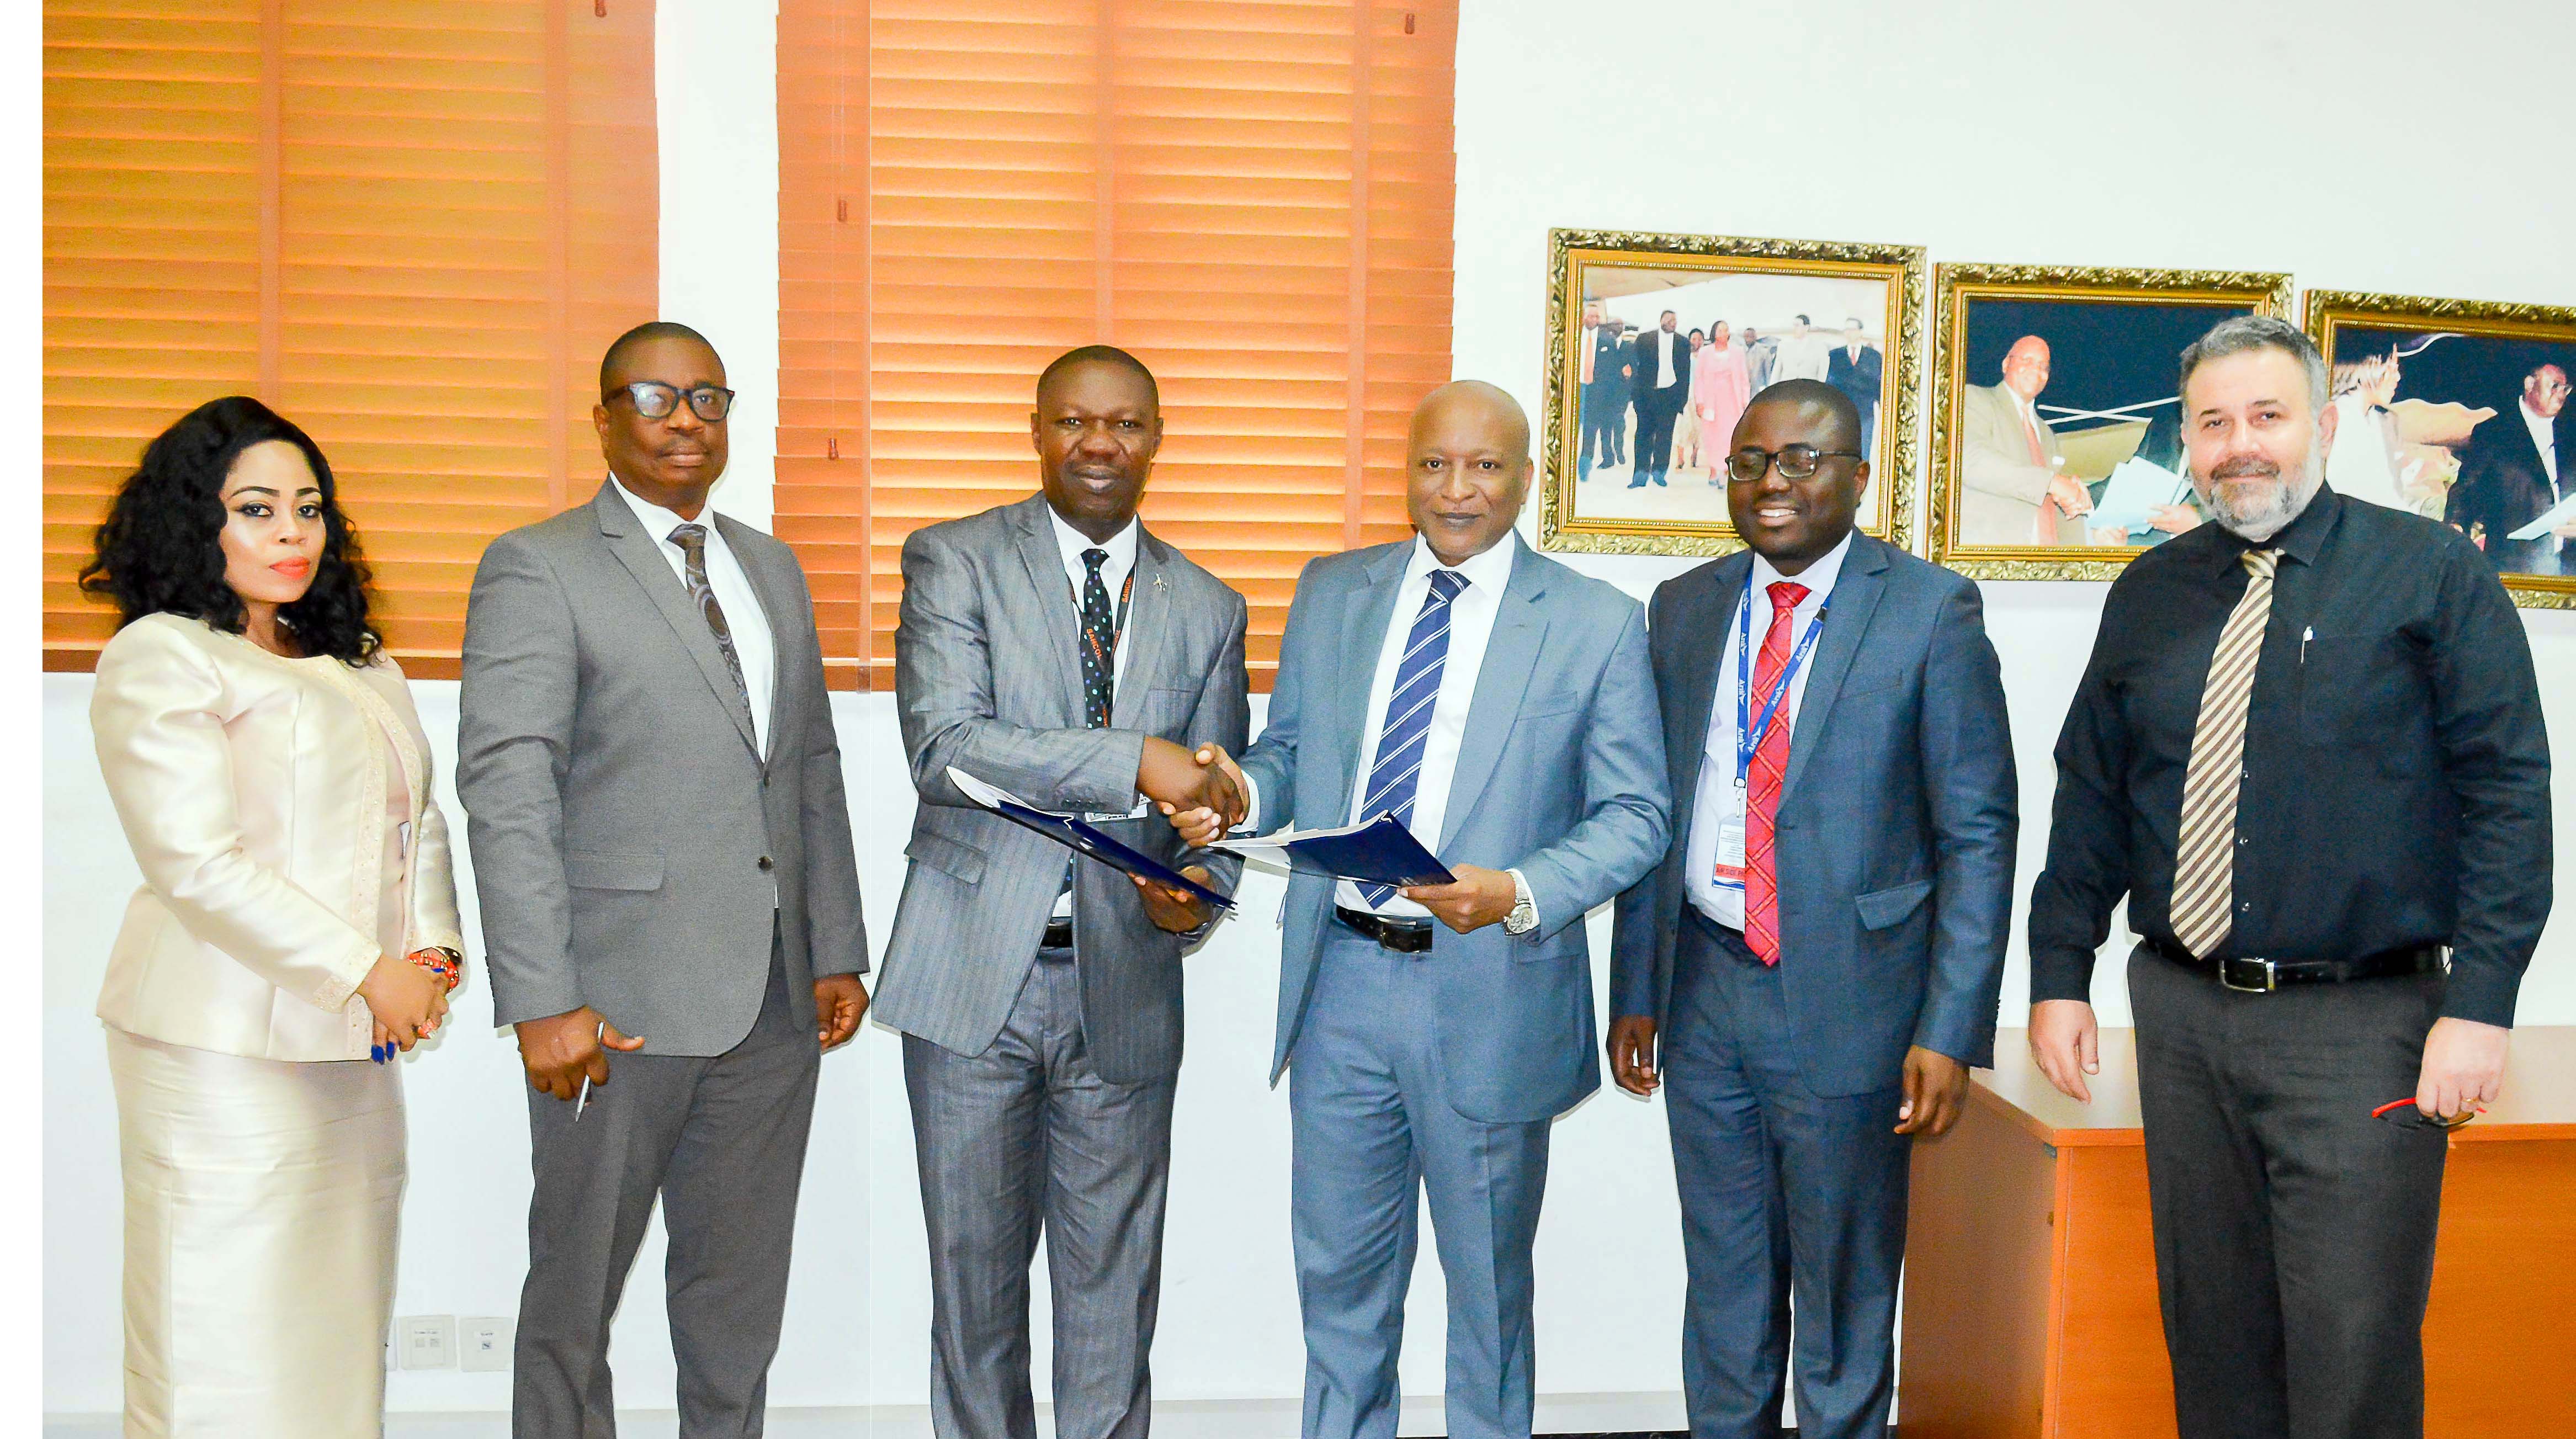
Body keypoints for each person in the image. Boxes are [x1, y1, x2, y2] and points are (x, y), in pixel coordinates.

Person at [2025, 316, 2550, 1439]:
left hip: (2361, 1024)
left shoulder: (2429, 573)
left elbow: (2507, 798)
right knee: (2210, 1339)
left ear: (2316, 423)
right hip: (2177, 1017)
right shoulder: (2151, 592)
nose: (2237, 446)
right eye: (2211, 424)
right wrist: (2057, 969)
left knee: (2347, 1352)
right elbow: (2091, 793)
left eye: (2264, 415)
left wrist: (2480, 1003)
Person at [1170, 381, 1671, 1439]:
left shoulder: (1594, 622)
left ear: (1525, 479)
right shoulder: (1335, 590)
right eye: (1434, 464)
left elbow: (1636, 815)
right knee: (1340, 1282)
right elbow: (1295, 753)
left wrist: (1519, 891)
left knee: (1488, 1293)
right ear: (1405, 473)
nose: (1456, 490)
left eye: (1484, 467)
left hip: (1489, 989)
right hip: (1340, 985)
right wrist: (1239, 794)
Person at [459, 321, 872, 1437]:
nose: (684, 417)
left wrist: (834, 941)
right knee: (575, 1293)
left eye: (706, 396)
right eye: (652, 395)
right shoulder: (537, 564)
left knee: (736, 1296)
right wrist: (541, 997)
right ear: (602, 419)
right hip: (614, 1002)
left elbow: (809, 764)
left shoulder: (768, 565)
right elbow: (507, 792)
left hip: (773, 1002)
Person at [1608, 380, 2016, 1439]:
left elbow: (1977, 832)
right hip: (1702, 989)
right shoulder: (1686, 607)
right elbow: (1658, 806)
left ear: (1856, 476)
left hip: (1855, 1003)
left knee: (1841, 1291)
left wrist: (1949, 1026)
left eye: (1800, 459)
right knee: (1727, 1279)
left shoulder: (1930, 608)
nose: (1772, 482)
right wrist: (1636, 987)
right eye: (1748, 461)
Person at [872, 344, 1251, 1439]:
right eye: (1075, 421)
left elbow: (1212, 800)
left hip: (1123, 982)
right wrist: (1135, 758)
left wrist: (1194, 890)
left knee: (1111, 1289)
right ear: (1035, 430)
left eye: (1126, 424)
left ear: (1155, 439)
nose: (1099, 443)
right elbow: (945, 748)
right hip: (968, 981)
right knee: (972, 1286)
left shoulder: (1209, 604)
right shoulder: (954, 559)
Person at [81, 395, 465, 1436]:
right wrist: (365, 969)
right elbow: (196, 865)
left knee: (333, 1331)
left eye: (308, 507)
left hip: (352, 1054)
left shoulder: (358, 661)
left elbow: (413, 818)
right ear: (192, 521)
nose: (291, 531)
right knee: (218, 1331)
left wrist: (429, 948)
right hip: (216, 1048)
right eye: (256, 508)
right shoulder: (163, 655)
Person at [1956, 335, 2095, 545]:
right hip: (1987, 555)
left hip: (2044, 563)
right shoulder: (1974, 399)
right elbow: (1970, 461)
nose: (2035, 369)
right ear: (2006, 364)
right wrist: (2051, 482)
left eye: (2043, 366)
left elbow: (2049, 504)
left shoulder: (2047, 434)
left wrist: (2086, 518)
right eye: (2027, 360)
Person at [2444, 362, 2571, 575]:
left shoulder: (2570, 434)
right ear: (2530, 384)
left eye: (2566, 389)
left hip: (2569, 564)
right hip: (2515, 564)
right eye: (2555, 386)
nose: (2561, 394)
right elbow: (2467, 488)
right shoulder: (2495, 432)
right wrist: (2456, 524)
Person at [2324, 352, 2424, 514]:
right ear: (2366, 367)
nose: (2397, 376)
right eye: (2391, 367)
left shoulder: (2380, 422)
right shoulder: (2341, 418)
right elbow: (2349, 491)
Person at [1632, 310, 1692, 488]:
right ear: (1661, 321)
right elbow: (1635, 368)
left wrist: (1681, 401)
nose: (1673, 323)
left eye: (1675, 320)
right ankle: (1640, 474)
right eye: (1669, 319)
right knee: (1643, 434)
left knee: (1665, 436)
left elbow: (1685, 373)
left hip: (1669, 396)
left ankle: (1659, 472)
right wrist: (1636, 396)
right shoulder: (1644, 339)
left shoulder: (1682, 343)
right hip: (1647, 395)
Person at [1692, 322, 1753, 486]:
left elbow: (1743, 379)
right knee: (1712, 436)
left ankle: (1726, 471)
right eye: (1720, 330)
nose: (1724, 332)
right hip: (1711, 401)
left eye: (1726, 329)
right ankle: (1713, 469)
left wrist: (1745, 401)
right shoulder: (1705, 353)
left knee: (1729, 436)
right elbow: (1699, 380)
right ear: (1714, 333)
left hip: (1731, 401)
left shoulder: (1737, 352)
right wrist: (1700, 402)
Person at [1581, 316, 1633, 480]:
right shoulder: (1602, 343)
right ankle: (1596, 458)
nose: (1617, 328)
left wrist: (1627, 378)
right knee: (1596, 428)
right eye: (1615, 325)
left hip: (1616, 395)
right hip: (1598, 393)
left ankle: (1614, 453)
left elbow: (1629, 369)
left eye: (1620, 325)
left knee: (1612, 427)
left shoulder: (1626, 346)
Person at [1824, 318, 1884, 458]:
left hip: (1865, 413)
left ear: (1860, 332)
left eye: (1853, 329)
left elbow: (1879, 384)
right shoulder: (1835, 355)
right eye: (1847, 330)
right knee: (1842, 448)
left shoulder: (1873, 357)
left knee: (1864, 451)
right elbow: (1830, 383)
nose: (1849, 333)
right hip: (1842, 411)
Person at [1671, 330, 1709, 473]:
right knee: (1682, 427)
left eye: (1700, 339)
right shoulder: (1683, 356)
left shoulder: (1706, 358)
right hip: (1685, 396)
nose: (1697, 342)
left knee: (1698, 428)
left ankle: (1694, 455)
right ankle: (1680, 458)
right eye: (1694, 339)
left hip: (1701, 397)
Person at [1768, 314, 1832, 385]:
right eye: (1793, 325)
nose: (1794, 328)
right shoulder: (1783, 345)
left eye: (1797, 326)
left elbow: (1822, 375)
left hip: (1809, 390)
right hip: (1787, 390)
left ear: (1807, 327)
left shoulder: (1820, 347)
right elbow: (1776, 371)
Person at [1742, 326, 1778, 394]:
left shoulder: (1764, 351)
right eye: (1746, 337)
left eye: (1751, 337)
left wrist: (1769, 391)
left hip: (1759, 390)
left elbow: (1768, 374)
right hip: (1744, 391)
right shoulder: (1740, 352)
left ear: (1755, 337)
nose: (1749, 339)